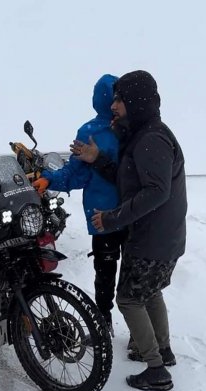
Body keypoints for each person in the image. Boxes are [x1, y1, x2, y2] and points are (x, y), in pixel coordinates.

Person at [72, 70, 187, 391]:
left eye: (120, 99)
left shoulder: (151, 138)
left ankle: (155, 369)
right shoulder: (143, 134)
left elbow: (156, 191)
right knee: (149, 292)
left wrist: (112, 219)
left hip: (152, 238)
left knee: (128, 299)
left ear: (136, 101)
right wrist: (97, 159)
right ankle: (162, 350)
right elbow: (128, 180)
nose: (114, 105)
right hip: (160, 238)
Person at [33, 74, 125, 335]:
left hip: (105, 215)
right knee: (128, 277)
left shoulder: (96, 131)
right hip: (126, 213)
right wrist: (47, 179)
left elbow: (76, 174)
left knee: (107, 272)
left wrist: (48, 180)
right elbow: (78, 173)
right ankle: (117, 326)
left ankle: (104, 322)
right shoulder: (127, 128)